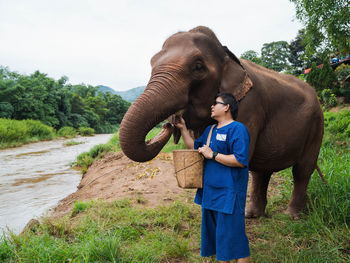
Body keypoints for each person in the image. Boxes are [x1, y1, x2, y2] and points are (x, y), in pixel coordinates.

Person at [175, 93, 250, 263]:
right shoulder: (210, 130)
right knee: (219, 238)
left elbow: (240, 160)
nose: (212, 106)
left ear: (227, 107)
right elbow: (194, 147)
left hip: (230, 194)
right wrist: (183, 129)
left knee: (235, 239)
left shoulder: (238, 129)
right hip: (210, 192)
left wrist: (213, 154)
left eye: (216, 103)